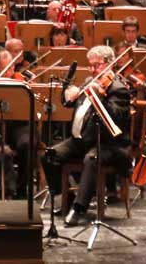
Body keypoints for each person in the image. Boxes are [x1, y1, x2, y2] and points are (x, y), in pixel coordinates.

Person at [43, 45, 133, 226]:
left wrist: (100, 97)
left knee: (92, 159)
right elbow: (68, 104)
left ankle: (79, 208)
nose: (92, 70)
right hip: (81, 140)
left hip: (109, 144)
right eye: (90, 65)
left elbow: (115, 118)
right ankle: (67, 197)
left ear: (109, 64)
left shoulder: (118, 88)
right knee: (49, 155)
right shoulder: (89, 81)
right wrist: (69, 92)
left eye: (97, 65)